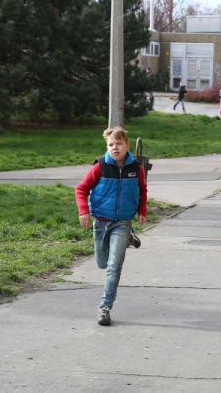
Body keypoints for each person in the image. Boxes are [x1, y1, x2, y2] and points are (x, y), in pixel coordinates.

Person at [75, 127, 148, 326]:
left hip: (122, 222)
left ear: (127, 145)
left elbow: (142, 189)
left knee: (114, 267)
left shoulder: (136, 169)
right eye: (110, 144)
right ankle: (128, 240)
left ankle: (104, 307)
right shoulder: (100, 166)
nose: (114, 148)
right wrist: (84, 211)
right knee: (102, 263)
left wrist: (142, 210)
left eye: (118, 144)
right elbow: (81, 188)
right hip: (101, 222)